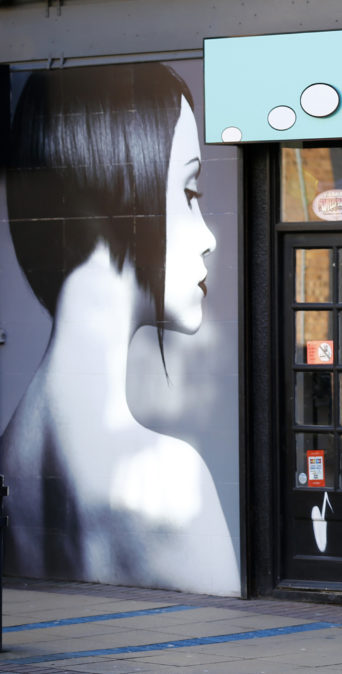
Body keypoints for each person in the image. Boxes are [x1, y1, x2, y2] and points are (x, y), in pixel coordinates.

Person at [0, 63, 240, 595]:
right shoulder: (174, 481)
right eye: (188, 193)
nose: (209, 238)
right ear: (117, 195)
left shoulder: (9, 453)